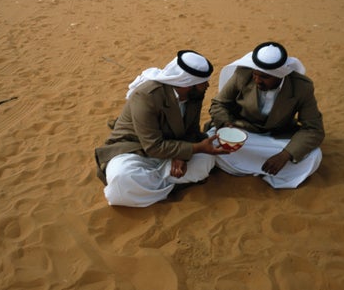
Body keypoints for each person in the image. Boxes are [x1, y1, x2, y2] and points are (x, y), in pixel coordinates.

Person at [95, 50, 230, 207]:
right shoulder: (146, 96)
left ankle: (150, 188)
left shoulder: (194, 96)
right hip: (134, 149)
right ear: (187, 83)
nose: (207, 86)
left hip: (169, 151)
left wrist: (182, 156)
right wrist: (195, 148)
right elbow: (152, 146)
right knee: (122, 177)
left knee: (207, 161)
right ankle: (168, 185)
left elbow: (191, 131)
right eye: (203, 82)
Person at [207, 41, 324, 188]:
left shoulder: (301, 87)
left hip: (276, 138)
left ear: (280, 75)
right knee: (210, 142)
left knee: (314, 156)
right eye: (255, 74)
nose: (257, 80)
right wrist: (226, 125)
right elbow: (219, 104)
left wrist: (285, 155)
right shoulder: (243, 74)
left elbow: (313, 129)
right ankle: (261, 168)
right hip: (243, 133)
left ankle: (262, 169)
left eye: (264, 77)